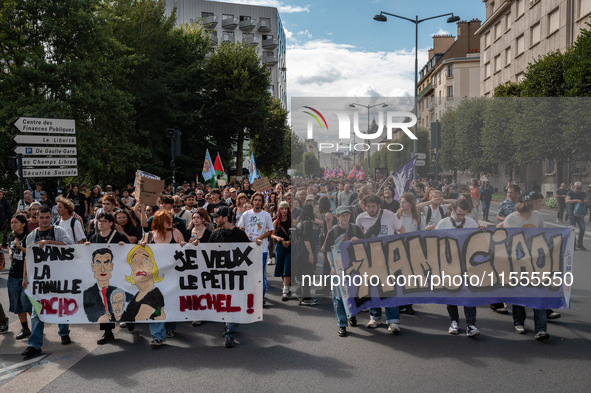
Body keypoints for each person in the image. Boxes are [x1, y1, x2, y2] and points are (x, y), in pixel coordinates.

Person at [21, 207, 73, 359]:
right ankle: (34, 344)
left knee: (61, 304)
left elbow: (70, 246)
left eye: (47, 217)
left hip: (59, 276)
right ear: (36, 218)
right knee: (37, 310)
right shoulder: (31, 236)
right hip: (40, 279)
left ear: (51, 217)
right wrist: (25, 277)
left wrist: (49, 242)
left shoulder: (59, 231)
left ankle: (64, 332)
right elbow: (27, 258)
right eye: (41, 217)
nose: (44, 220)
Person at [501, 193, 549, 340]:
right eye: (537, 201)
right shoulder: (511, 219)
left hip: (536, 261)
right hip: (518, 261)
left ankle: (541, 329)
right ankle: (519, 322)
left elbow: (544, 234)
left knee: (538, 294)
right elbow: (507, 240)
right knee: (520, 293)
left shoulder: (537, 216)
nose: (539, 203)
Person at [355, 194, 405, 333]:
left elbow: (401, 230)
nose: (370, 209)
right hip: (369, 259)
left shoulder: (390, 216)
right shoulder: (360, 218)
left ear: (379, 206)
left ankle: (393, 321)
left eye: (373, 206)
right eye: (368, 206)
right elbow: (357, 235)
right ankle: (375, 317)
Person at [435, 199, 481, 337]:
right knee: (451, 295)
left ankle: (471, 325)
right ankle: (454, 321)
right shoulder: (443, 223)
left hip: (467, 264)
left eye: (464, 215)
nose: (462, 217)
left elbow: (477, 242)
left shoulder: (471, 223)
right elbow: (435, 242)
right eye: (459, 214)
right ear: (453, 210)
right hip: (449, 264)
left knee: (469, 294)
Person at [209, 205, 254, 347]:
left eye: (218, 217)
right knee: (224, 303)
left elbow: (249, 253)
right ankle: (229, 324)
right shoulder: (215, 235)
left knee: (232, 303)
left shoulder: (239, 235)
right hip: (220, 278)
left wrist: (255, 245)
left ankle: (230, 333)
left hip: (236, 277)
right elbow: (206, 254)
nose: (215, 220)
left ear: (226, 218)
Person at [321, 205, 364, 337]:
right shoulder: (333, 231)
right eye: (342, 215)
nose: (345, 217)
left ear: (350, 216)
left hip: (354, 267)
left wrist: (358, 241)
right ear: (337, 217)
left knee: (353, 294)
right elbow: (327, 250)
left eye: (347, 215)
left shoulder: (356, 229)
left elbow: (365, 246)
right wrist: (332, 266)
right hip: (338, 268)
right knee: (339, 297)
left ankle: (352, 314)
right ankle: (342, 324)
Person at [121, 245, 168, 347]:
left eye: (146, 259)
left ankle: (158, 336)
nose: (140, 264)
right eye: (135, 260)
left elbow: (143, 315)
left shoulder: (155, 295)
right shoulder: (137, 294)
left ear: (153, 265)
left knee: (157, 312)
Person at [83, 248, 131, 344]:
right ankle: (108, 332)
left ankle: (129, 319)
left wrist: (124, 244)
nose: (102, 268)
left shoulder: (123, 291)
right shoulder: (88, 294)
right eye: (98, 263)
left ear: (112, 266)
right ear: (92, 266)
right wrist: (86, 247)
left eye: (106, 262)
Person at [237, 193, 273, 302]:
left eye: (259, 200)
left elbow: (270, 231)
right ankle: (248, 298)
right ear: (252, 201)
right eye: (255, 200)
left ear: (262, 202)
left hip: (261, 249)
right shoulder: (246, 214)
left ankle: (259, 299)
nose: (257, 202)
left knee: (260, 276)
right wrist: (247, 239)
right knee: (248, 275)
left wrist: (261, 237)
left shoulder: (266, 215)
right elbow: (240, 229)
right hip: (247, 250)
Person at [396, 192, 426, 315]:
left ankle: (409, 304)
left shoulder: (418, 216)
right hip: (398, 250)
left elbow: (422, 232)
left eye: (404, 202)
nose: (401, 204)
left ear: (410, 203)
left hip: (413, 250)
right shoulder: (397, 216)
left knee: (411, 279)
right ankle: (399, 303)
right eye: (401, 202)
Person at [7, 214, 32, 339]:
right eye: (12, 222)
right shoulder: (12, 235)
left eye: (16, 222)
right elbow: (8, 244)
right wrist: (11, 252)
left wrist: (19, 247)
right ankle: (25, 328)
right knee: (17, 304)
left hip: (26, 274)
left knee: (27, 303)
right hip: (13, 274)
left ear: (23, 224)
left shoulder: (29, 237)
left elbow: (32, 253)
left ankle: (37, 327)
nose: (13, 225)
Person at [271, 201, 293, 301]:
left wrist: (290, 241)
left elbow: (297, 234)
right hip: (280, 247)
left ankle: (285, 290)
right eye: (282, 209)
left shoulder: (292, 221)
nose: (284, 211)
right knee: (281, 268)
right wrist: (277, 238)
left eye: (286, 209)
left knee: (287, 268)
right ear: (279, 210)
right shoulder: (276, 221)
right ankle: (286, 286)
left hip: (289, 247)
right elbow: (271, 234)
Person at [566, 181, 587, 251]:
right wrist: (576, 200)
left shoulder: (582, 193)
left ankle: (580, 243)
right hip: (572, 214)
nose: (578, 190)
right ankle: (573, 245)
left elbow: (585, 200)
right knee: (572, 230)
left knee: (583, 228)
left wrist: (585, 201)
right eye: (577, 188)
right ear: (574, 187)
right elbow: (567, 201)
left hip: (580, 214)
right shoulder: (570, 192)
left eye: (579, 188)